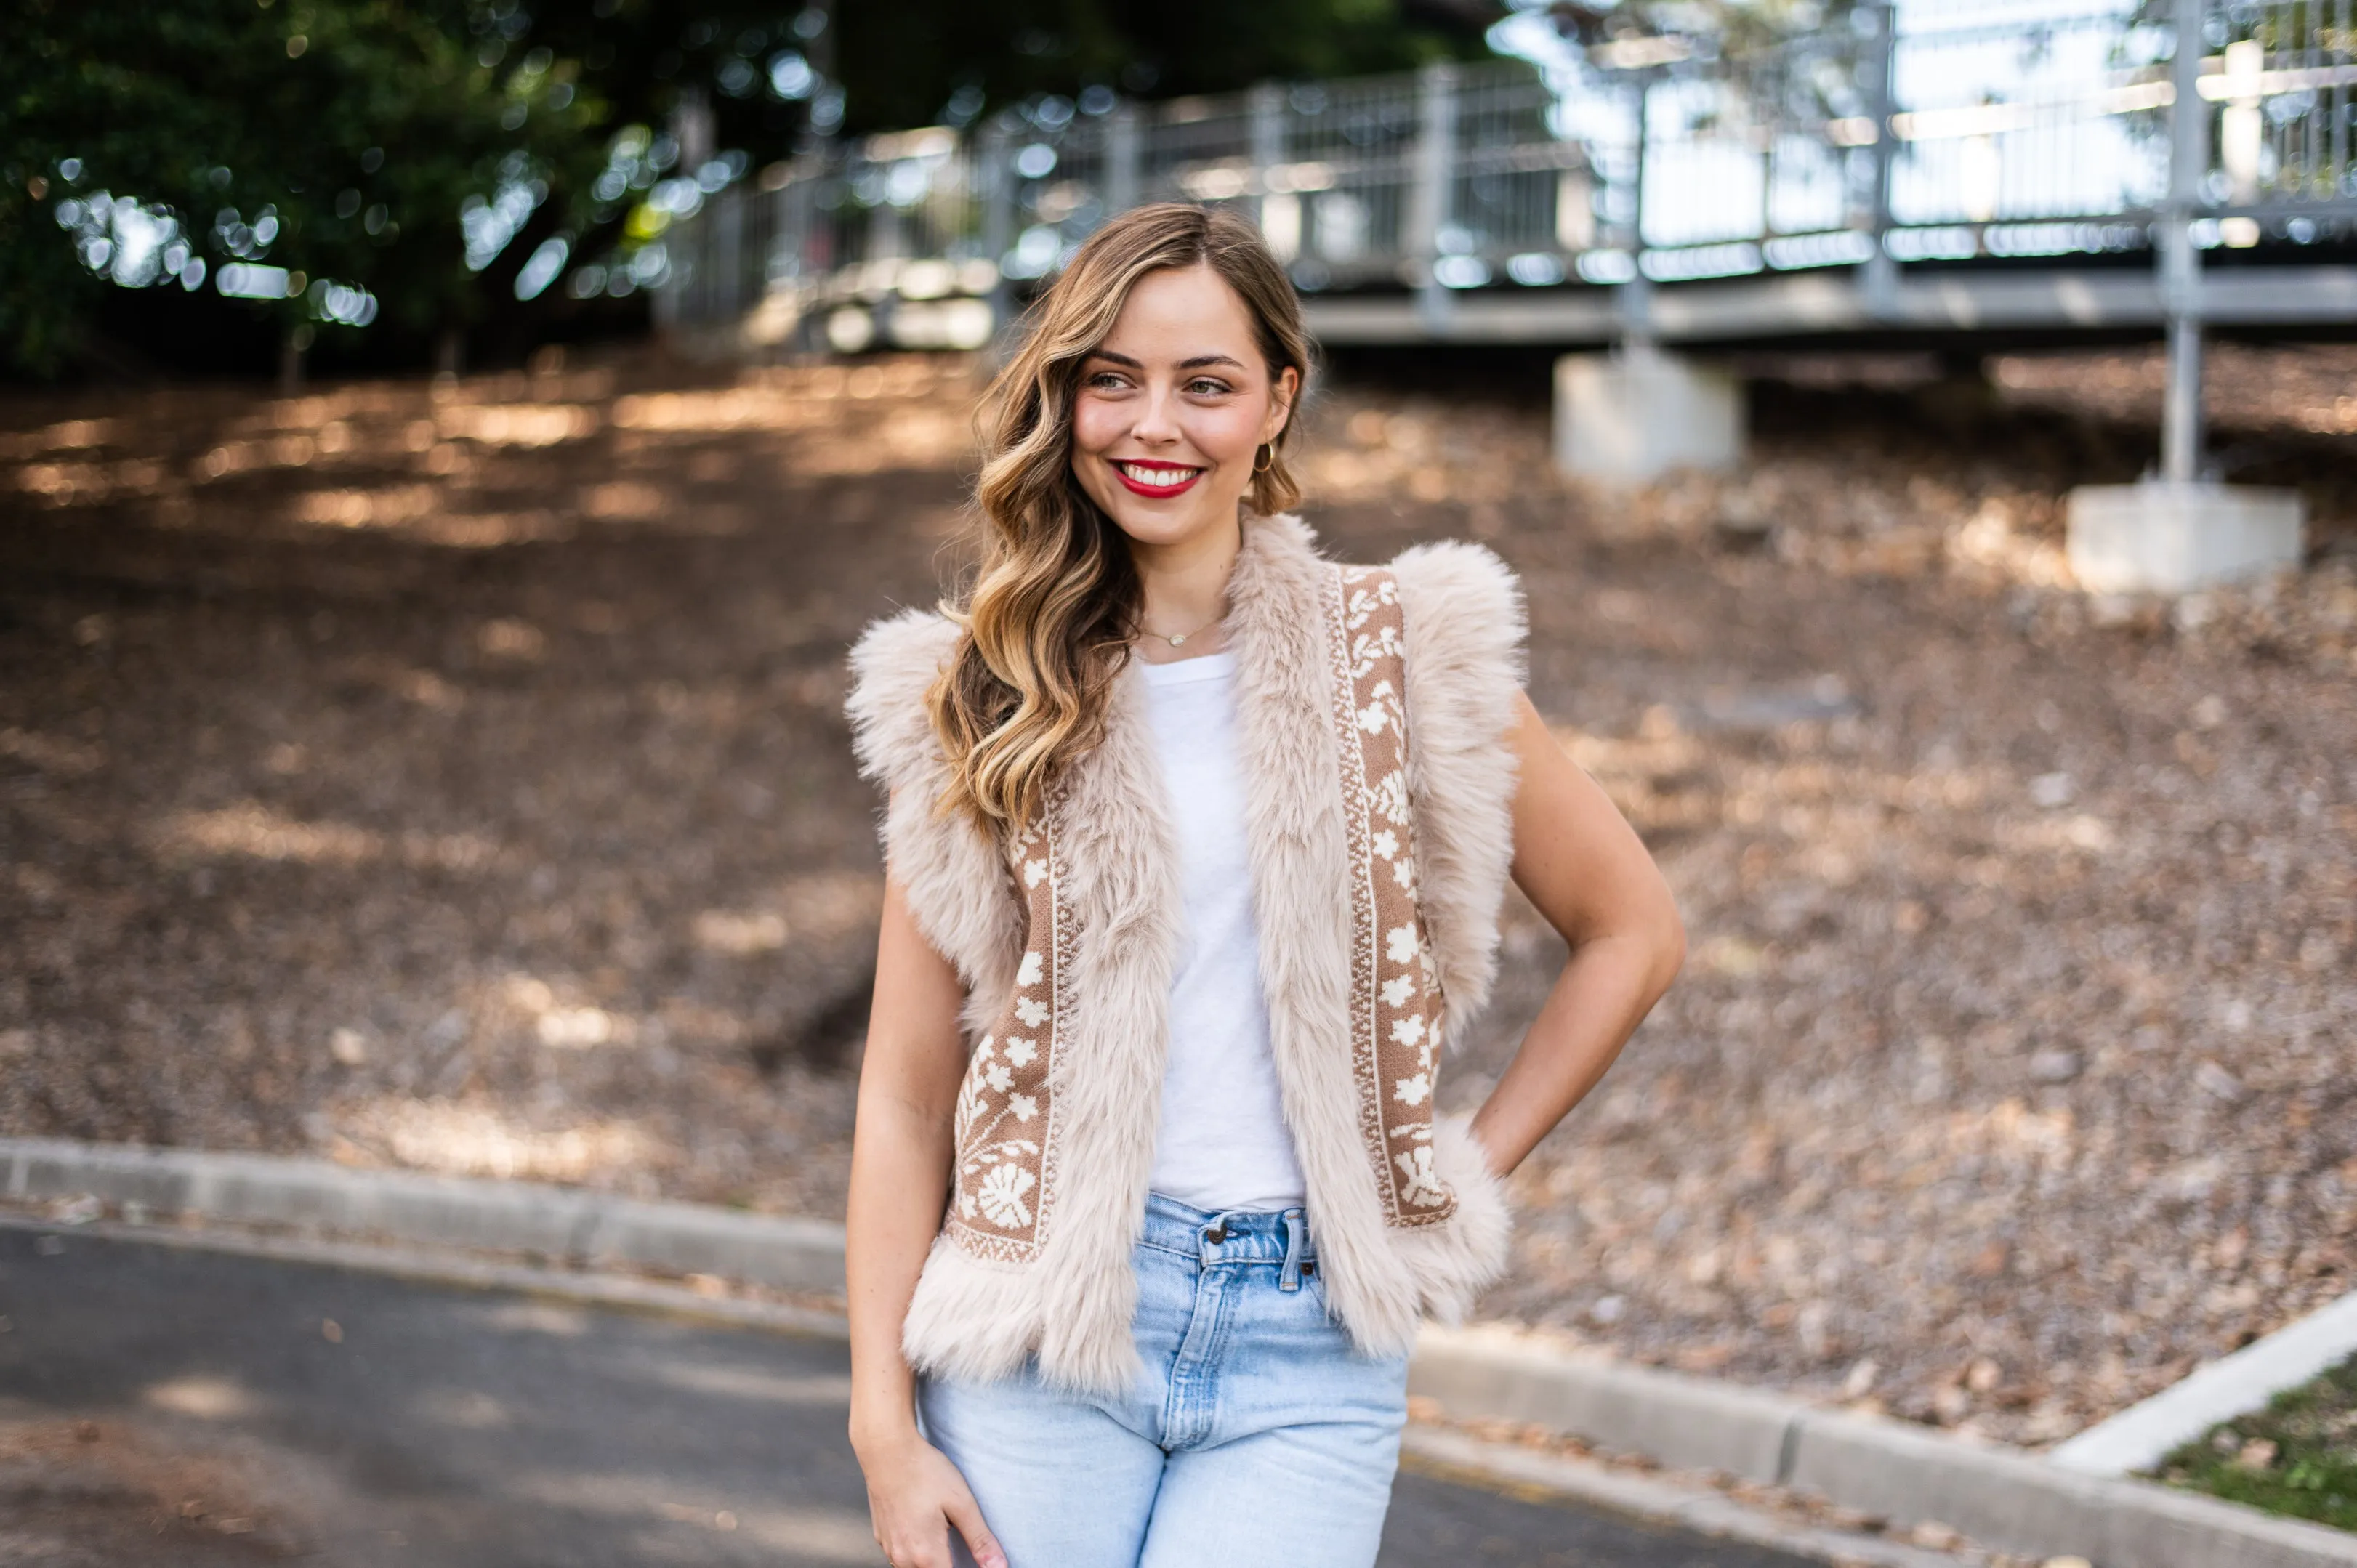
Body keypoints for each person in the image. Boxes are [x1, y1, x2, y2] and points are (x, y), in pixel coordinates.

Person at [841, 202, 1684, 1568]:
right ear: (1061, 399)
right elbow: (904, 1092)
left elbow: (1630, 931)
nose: (1151, 425)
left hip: (1310, 1352)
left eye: (1206, 384)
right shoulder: (980, 697)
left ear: (1277, 402)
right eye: (1109, 378)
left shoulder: (1404, 654)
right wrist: (887, 1429)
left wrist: (1448, 1172)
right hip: (1038, 1326)